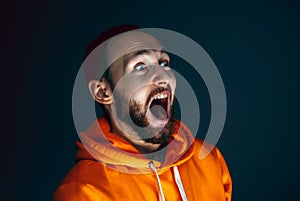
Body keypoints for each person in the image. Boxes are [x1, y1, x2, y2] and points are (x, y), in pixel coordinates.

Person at [52, 25, 232, 201]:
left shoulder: (209, 160)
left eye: (164, 63)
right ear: (103, 92)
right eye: (139, 66)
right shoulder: (82, 192)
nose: (164, 76)